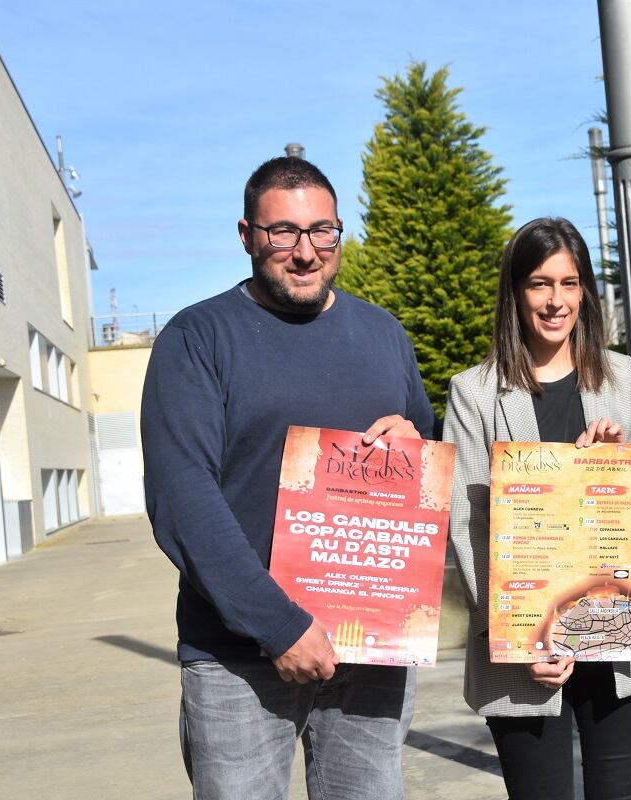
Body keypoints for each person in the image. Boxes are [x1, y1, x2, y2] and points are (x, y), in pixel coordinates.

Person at [141, 156, 434, 800]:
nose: (305, 253)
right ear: (247, 235)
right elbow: (182, 498)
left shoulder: (383, 334)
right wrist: (279, 626)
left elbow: (426, 471)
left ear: (337, 234)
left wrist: (415, 448)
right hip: (240, 654)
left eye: (321, 231)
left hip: (370, 647)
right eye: (283, 233)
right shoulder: (198, 338)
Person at [443, 217, 631, 800]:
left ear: (586, 292)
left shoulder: (622, 377)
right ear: (516, 292)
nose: (555, 301)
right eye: (540, 284)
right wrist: (524, 640)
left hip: (619, 645)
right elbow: (467, 526)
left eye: (570, 284)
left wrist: (619, 470)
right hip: (523, 657)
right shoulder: (474, 392)